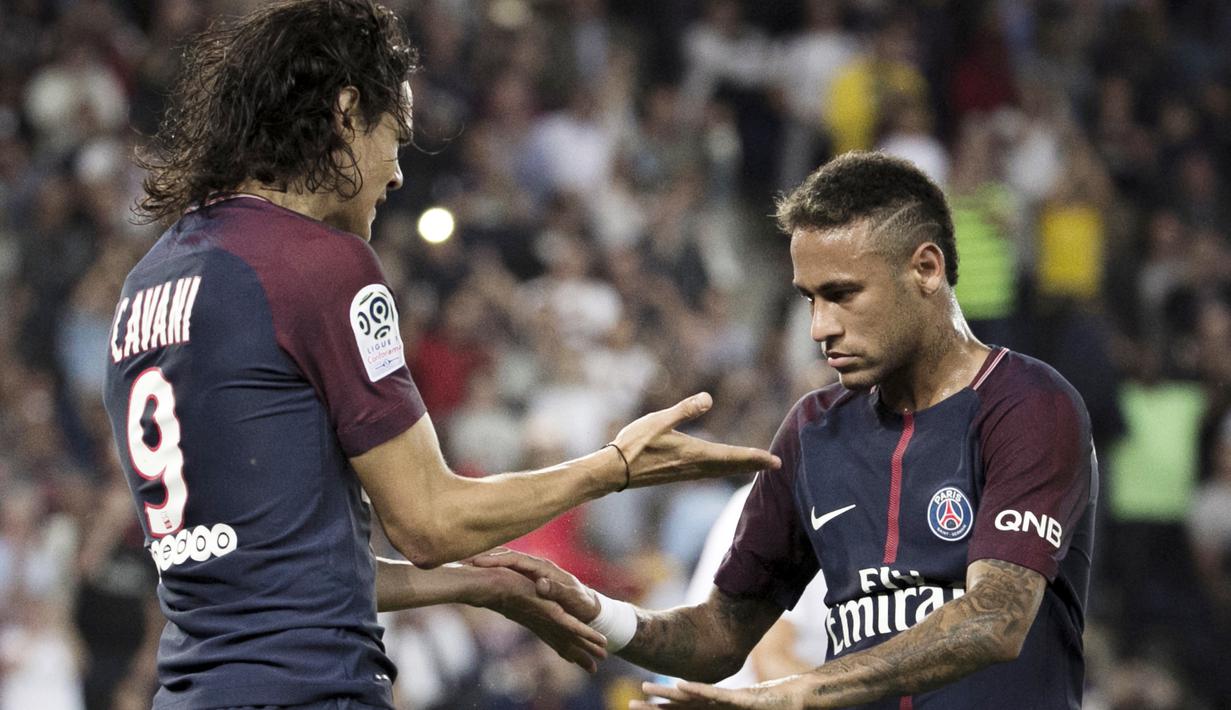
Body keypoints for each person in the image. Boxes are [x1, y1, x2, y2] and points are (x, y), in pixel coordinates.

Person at [100, 2, 777, 708]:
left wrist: (478, 584)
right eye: (396, 135)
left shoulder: (147, 284)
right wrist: (615, 467)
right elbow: (428, 522)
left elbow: (273, 572)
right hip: (309, 691)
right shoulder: (317, 264)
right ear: (346, 112)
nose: (397, 174)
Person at [476, 151, 1098, 709]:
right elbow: (720, 635)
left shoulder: (1029, 406)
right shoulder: (812, 431)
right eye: (809, 299)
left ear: (927, 269)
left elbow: (995, 619)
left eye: (842, 294)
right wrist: (596, 610)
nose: (819, 328)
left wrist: (802, 690)